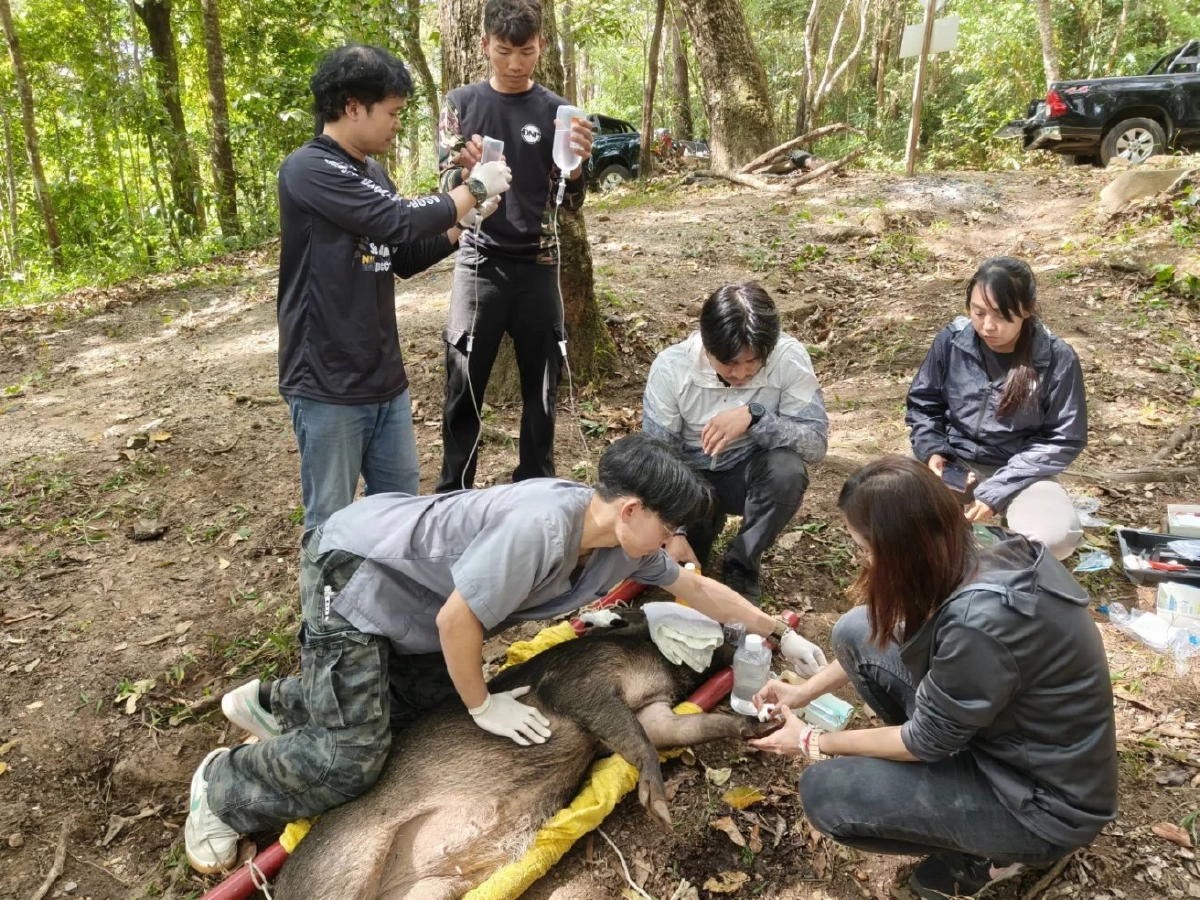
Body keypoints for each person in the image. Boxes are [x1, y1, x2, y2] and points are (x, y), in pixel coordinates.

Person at [184, 433, 828, 874]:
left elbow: (696, 588)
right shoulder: (541, 528)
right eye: (670, 526)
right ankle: (223, 786)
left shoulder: (617, 542)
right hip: (356, 575)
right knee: (353, 761)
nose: (675, 542)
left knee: (420, 726)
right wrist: (482, 701)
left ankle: (283, 704)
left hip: (414, 607)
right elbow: (457, 620)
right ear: (632, 509)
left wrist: (776, 633)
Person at [749, 457, 1117, 900]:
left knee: (828, 794)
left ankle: (993, 854)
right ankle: (955, 788)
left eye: (867, 548)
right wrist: (801, 691)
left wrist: (811, 741)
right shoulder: (974, 545)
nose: (866, 559)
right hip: (1012, 741)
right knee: (855, 629)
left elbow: (923, 740)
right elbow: (894, 630)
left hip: (1042, 802)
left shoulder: (980, 621)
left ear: (899, 547)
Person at [277, 44, 513, 533]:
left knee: (399, 515)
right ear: (352, 107)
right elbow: (396, 220)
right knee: (331, 523)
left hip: (383, 378)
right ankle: (325, 612)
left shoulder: (373, 172)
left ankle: (383, 609)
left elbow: (402, 254)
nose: (397, 123)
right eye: (392, 112)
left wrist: (465, 221)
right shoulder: (307, 170)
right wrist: (473, 188)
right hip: (326, 382)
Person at [435, 0, 595, 493]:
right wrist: (464, 171)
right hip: (478, 260)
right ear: (485, 45)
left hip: (539, 263)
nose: (514, 63)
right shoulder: (460, 105)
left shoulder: (556, 112)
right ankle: (454, 491)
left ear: (540, 46)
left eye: (525, 51)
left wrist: (578, 165)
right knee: (464, 383)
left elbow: (572, 203)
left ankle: (535, 487)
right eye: (504, 51)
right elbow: (445, 193)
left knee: (541, 389)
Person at [642, 282, 828, 603]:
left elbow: (815, 444)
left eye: (753, 361)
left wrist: (756, 418)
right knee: (677, 564)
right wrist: (673, 531)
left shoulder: (788, 359)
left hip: (747, 474)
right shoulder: (672, 369)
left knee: (787, 471)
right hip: (689, 480)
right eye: (729, 363)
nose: (741, 374)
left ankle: (743, 562)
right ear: (707, 346)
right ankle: (694, 531)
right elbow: (660, 458)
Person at [906, 256, 1087, 560]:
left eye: (1002, 316)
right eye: (978, 312)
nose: (987, 326)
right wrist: (932, 450)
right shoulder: (952, 342)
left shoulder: (1057, 359)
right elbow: (924, 403)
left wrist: (998, 489)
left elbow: (1062, 439)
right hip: (953, 461)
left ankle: (1000, 559)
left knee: (1054, 538)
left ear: (1027, 310)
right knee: (890, 509)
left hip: (1021, 471)